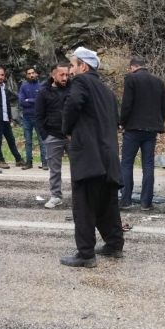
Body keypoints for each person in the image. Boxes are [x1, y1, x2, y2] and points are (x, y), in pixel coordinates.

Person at [60, 47, 124, 268]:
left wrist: (66, 129)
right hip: (108, 157)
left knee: (84, 207)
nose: (70, 70)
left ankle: (85, 254)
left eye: (73, 65)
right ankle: (114, 244)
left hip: (89, 156)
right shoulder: (107, 90)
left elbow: (73, 104)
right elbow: (116, 120)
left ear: (83, 67)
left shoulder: (81, 82)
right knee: (107, 204)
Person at [119, 56, 165, 211]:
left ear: (133, 67)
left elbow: (126, 104)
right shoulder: (158, 82)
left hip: (133, 129)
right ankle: (146, 203)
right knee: (148, 165)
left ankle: (126, 200)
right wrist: (157, 122)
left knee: (127, 164)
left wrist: (122, 123)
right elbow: (164, 107)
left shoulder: (131, 80)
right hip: (151, 131)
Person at [35, 62, 71, 208]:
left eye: (67, 74)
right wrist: (45, 136)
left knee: (79, 168)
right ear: (53, 75)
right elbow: (38, 116)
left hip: (71, 136)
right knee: (55, 170)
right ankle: (56, 196)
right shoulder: (44, 92)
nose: (65, 78)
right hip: (53, 136)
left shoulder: (73, 89)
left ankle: (80, 196)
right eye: (62, 74)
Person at [0, 66, 25, 168]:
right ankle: (1, 161)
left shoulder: (5, 89)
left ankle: (18, 159)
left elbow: (7, 104)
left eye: (2, 75)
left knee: (11, 140)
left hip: (6, 119)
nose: (0, 77)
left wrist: (10, 117)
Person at [18, 66, 47, 170]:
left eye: (33, 73)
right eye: (29, 73)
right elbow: (21, 102)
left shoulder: (41, 86)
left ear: (36, 74)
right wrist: (34, 100)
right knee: (28, 141)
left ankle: (45, 163)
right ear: (26, 75)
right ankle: (28, 163)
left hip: (39, 117)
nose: (31, 75)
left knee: (42, 141)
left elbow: (42, 101)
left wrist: (28, 100)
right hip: (26, 118)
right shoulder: (23, 87)